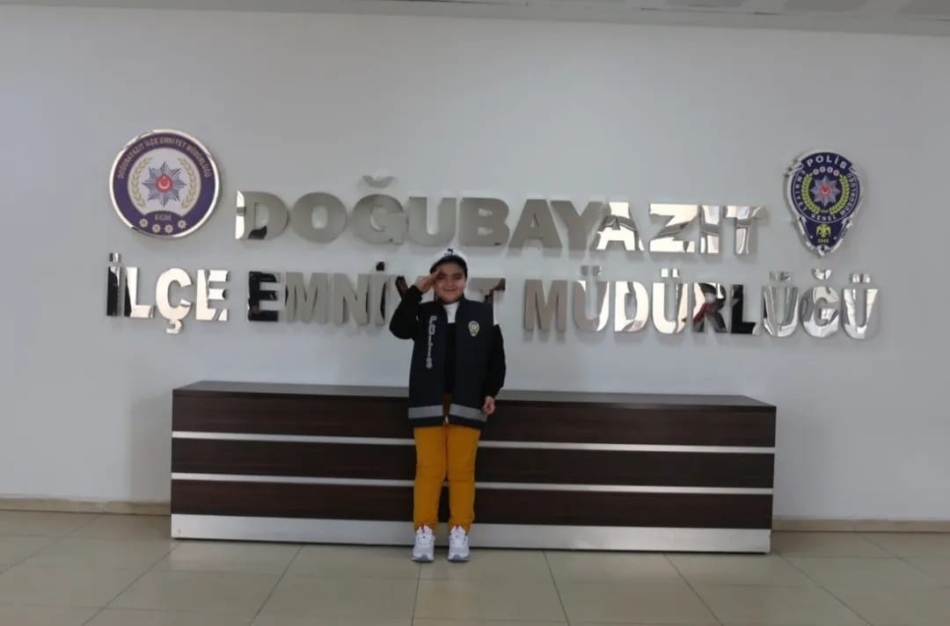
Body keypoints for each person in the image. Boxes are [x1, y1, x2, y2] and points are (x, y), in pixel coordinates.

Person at [389, 248, 506, 563]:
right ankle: (424, 531)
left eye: (457, 277)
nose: (450, 283)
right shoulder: (422, 313)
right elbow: (398, 328)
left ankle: (459, 531)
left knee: (461, 471)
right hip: (427, 402)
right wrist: (417, 290)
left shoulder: (484, 314)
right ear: (433, 280)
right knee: (429, 470)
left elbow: (496, 359)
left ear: (466, 280)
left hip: (467, 403)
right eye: (442, 277)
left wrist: (491, 392)